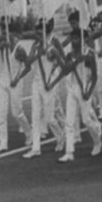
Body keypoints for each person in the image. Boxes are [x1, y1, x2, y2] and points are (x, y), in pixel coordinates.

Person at [0, 20, 33, 153]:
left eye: (10, 35)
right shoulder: (3, 45)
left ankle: (29, 133)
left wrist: (17, 78)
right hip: (2, 82)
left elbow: (28, 66)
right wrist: (1, 43)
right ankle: (3, 143)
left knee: (16, 112)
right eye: (5, 34)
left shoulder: (20, 49)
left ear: (16, 35)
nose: (8, 37)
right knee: (1, 113)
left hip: (14, 83)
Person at [58, 28, 102, 163]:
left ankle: (97, 140)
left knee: (86, 120)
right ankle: (69, 151)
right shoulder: (70, 54)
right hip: (72, 88)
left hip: (84, 87)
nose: (73, 41)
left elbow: (94, 76)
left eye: (76, 39)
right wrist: (77, 60)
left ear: (82, 39)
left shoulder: (89, 54)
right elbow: (65, 71)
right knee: (69, 121)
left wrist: (88, 93)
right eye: (72, 39)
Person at [23, 19, 66, 159]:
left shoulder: (52, 48)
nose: (37, 36)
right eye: (36, 33)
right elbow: (28, 63)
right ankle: (36, 148)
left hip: (49, 83)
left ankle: (61, 137)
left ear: (46, 34)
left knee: (49, 118)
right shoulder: (35, 45)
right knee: (35, 116)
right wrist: (36, 52)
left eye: (40, 33)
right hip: (36, 83)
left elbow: (64, 68)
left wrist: (53, 82)